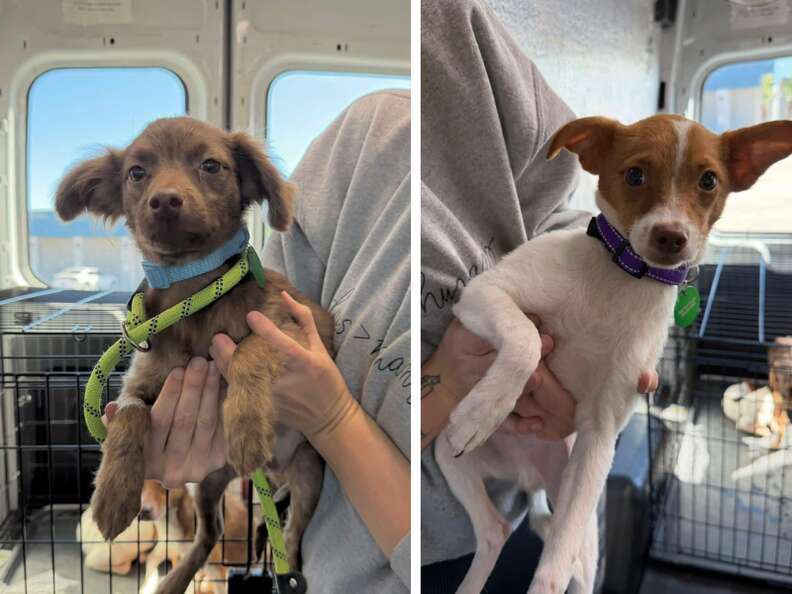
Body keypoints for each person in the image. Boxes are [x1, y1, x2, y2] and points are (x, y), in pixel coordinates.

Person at [105, 90, 411, 593]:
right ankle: (201, 550)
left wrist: (278, 393)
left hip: (343, 534)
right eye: (139, 174)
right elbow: (145, 391)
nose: (166, 190)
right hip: (261, 475)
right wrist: (134, 439)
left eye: (208, 167)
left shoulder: (254, 285)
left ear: (246, 184)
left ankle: (285, 552)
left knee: (297, 500)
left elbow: (298, 329)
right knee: (205, 493)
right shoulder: (367, 133)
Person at [420, 1, 656, 591]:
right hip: (426, 516)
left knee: (583, 508)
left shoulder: (462, 40)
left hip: (533, 454)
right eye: (637, 177)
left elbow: (563, 214)